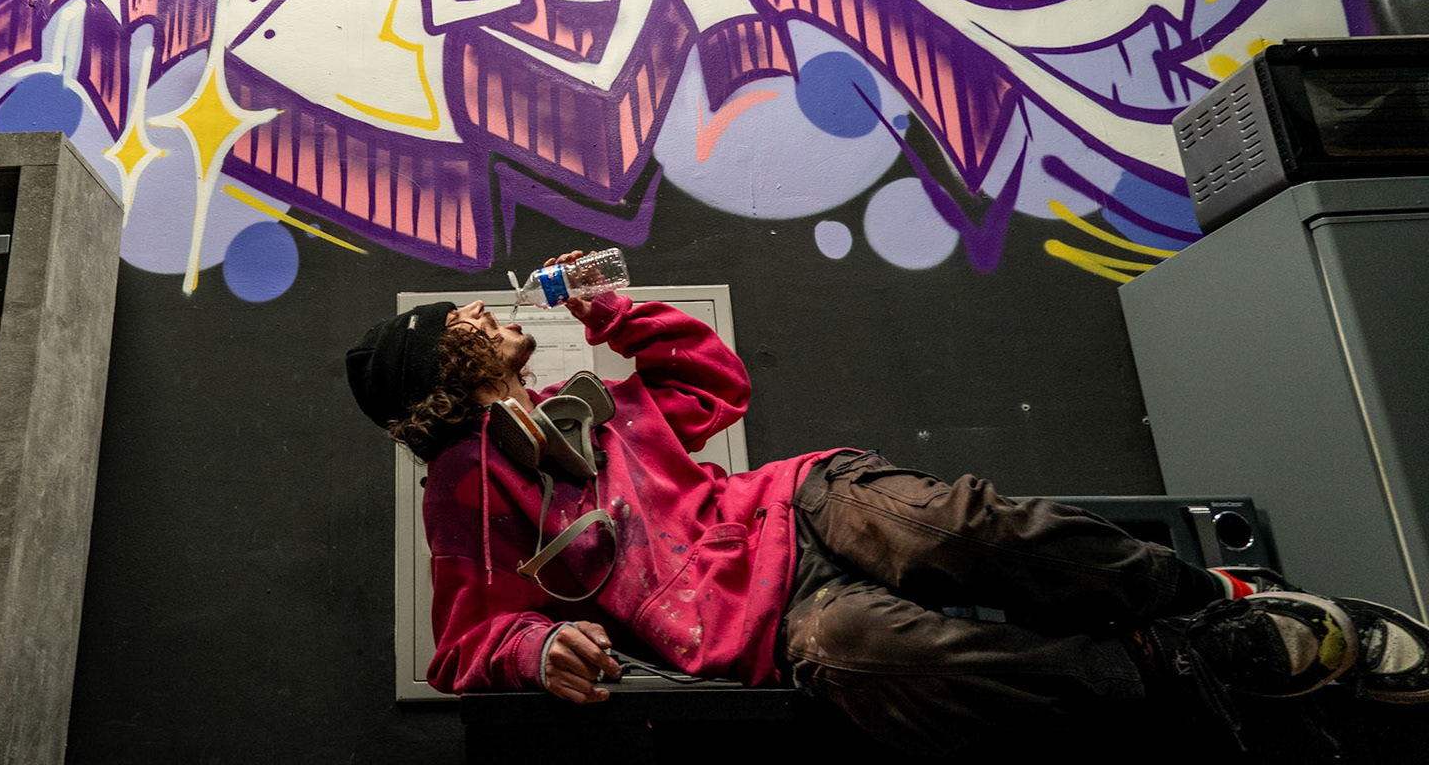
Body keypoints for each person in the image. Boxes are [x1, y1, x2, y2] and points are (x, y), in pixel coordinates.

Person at [345, 255, 1429, 756]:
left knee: (951, 528)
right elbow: (466, 642)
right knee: (867, 660)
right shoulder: (466, 490)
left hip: (798, 505)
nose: (484, 316)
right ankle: (1199, 660)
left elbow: (716, 389)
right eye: (462, 325)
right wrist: (537, 646)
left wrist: (620, 312)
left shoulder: (584, 406)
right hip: (761, 624)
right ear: (442, 365)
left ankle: (1214, 595)